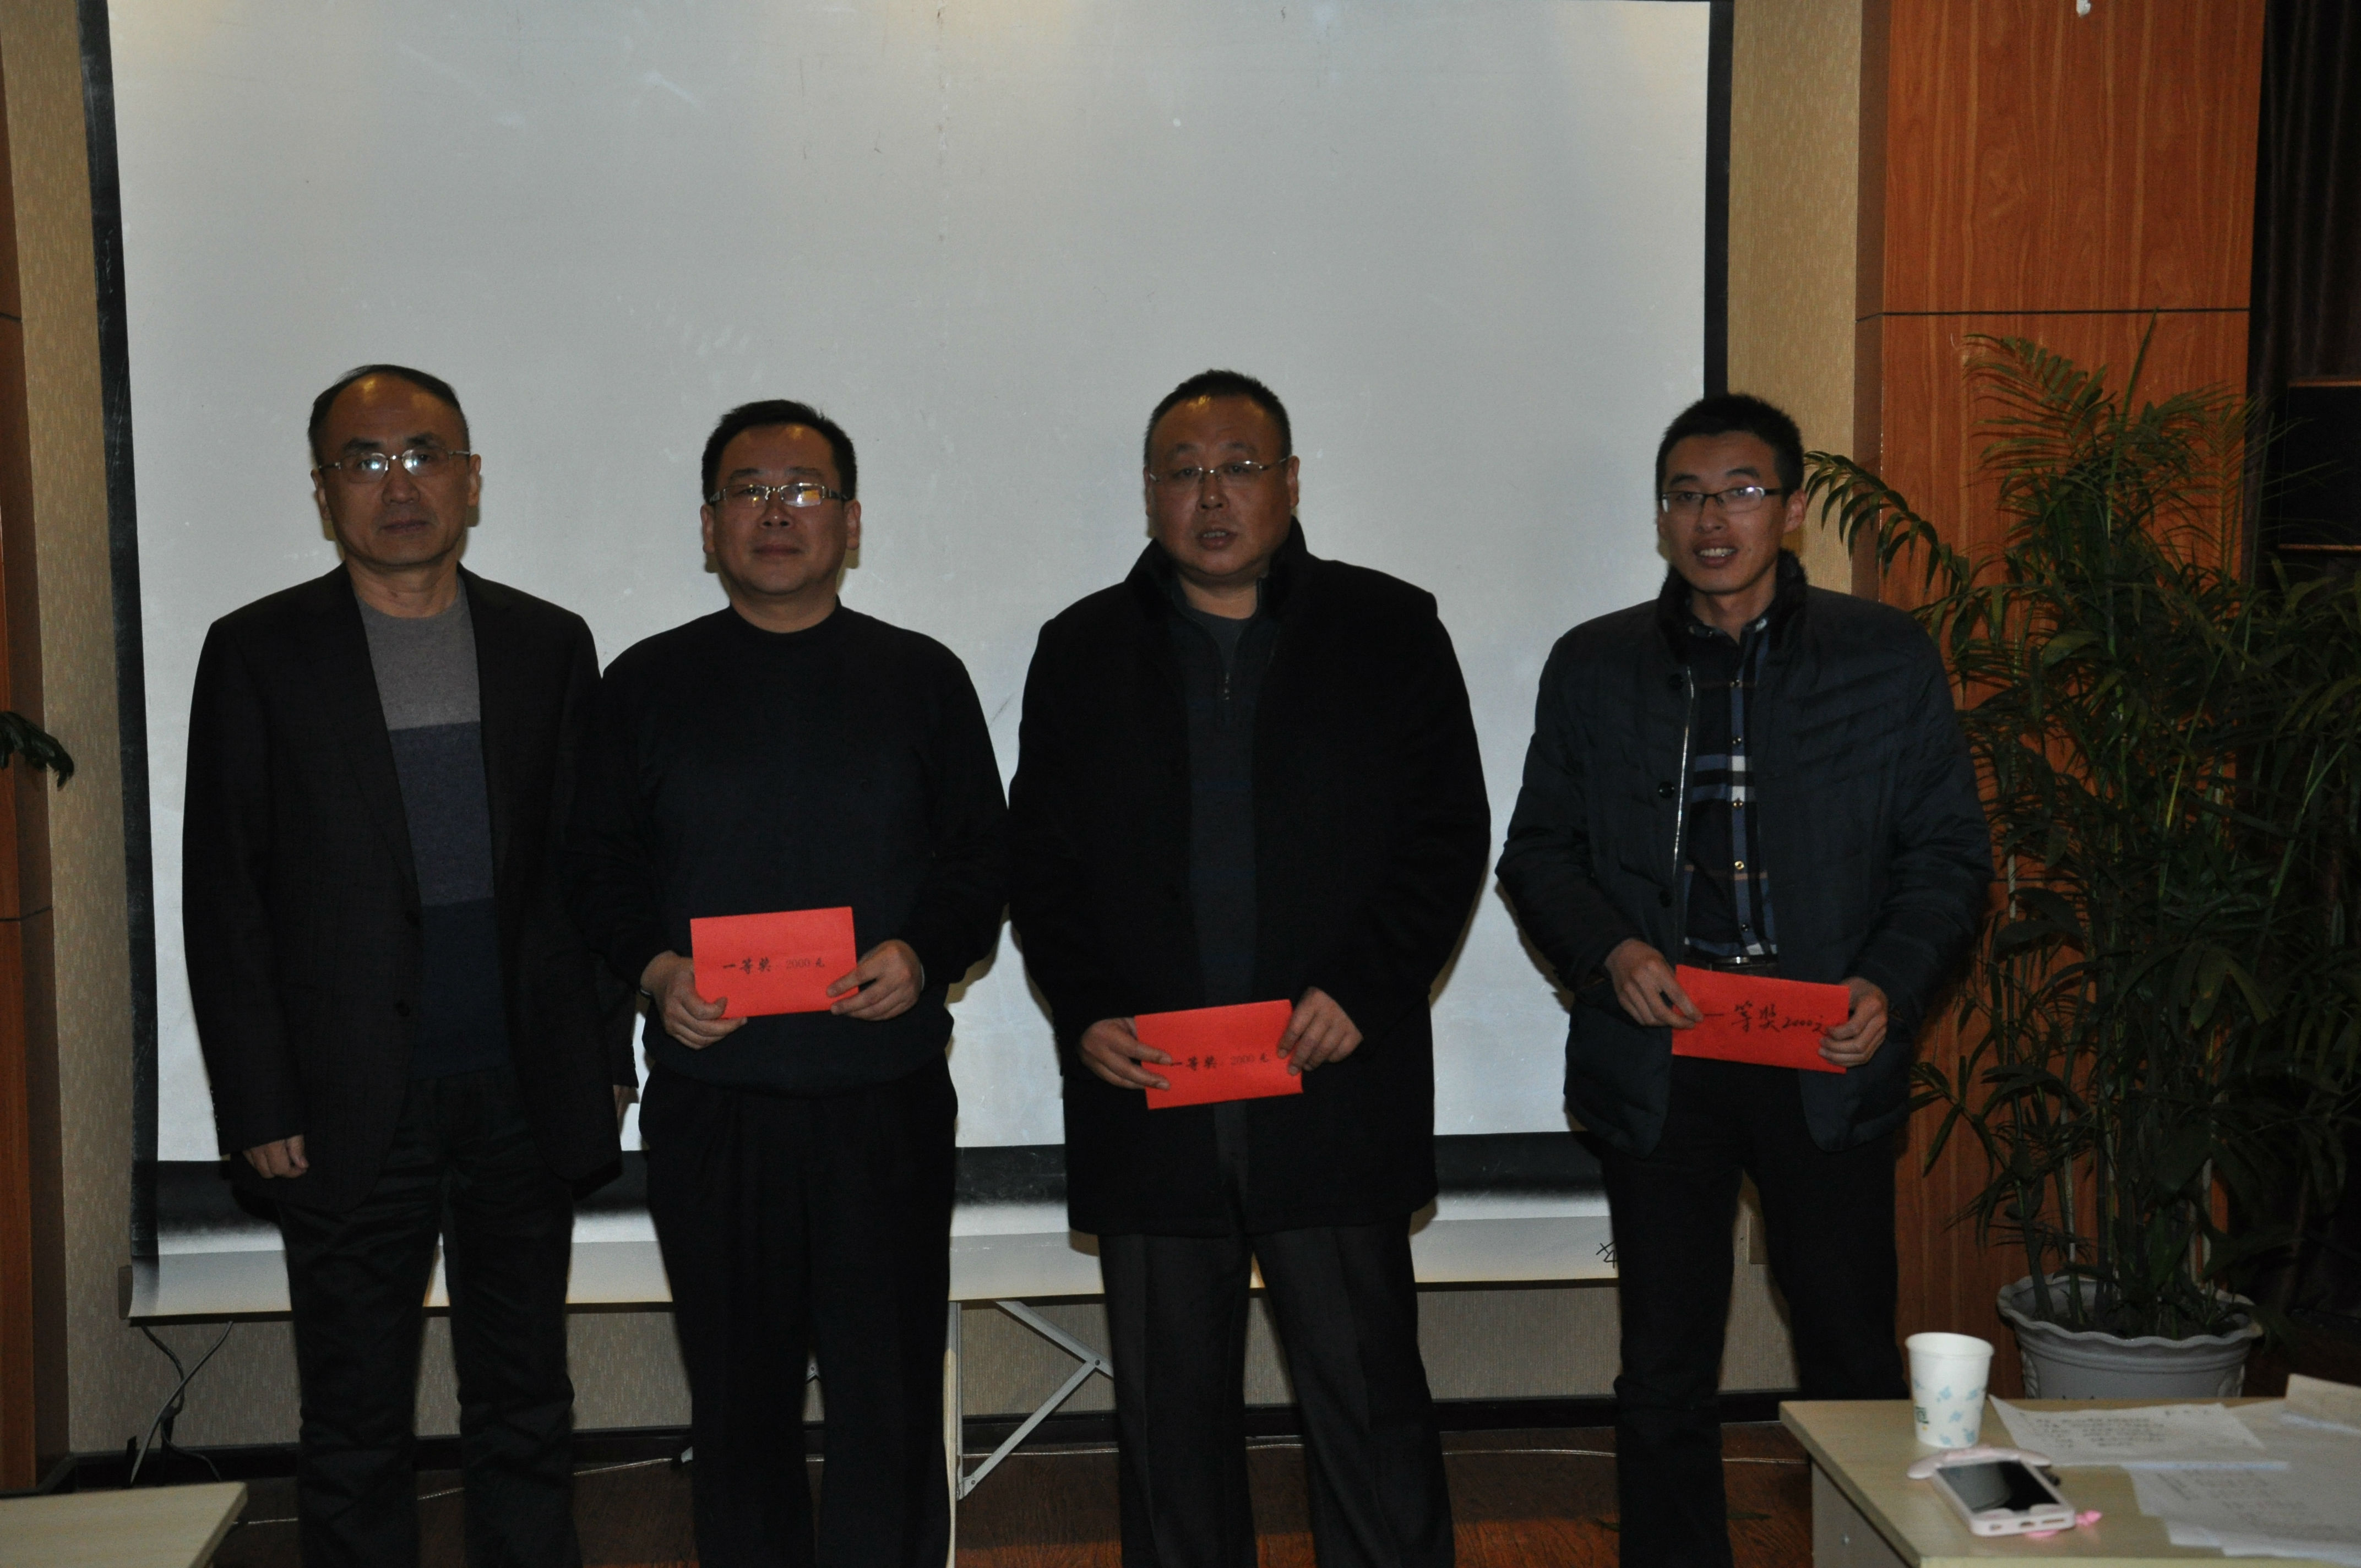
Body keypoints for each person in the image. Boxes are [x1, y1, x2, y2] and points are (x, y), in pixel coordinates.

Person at [1496, 393, 1992, 1568]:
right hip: (1662, 1052)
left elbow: (1947, 856)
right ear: (1660, 516)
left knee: (1847, 1351)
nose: (1710, 520)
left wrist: (1887, 983)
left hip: (1821, 1049)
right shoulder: (1595, 662)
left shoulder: (1882, 657)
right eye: (1685, 496)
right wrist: (1613, 955)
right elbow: (1538, 853)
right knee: (1663, 1365)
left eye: (1740, 492)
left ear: (1794, 509)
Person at [1008, 369, 1489, 1568]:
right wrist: (1085, 1008)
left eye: (1238, 467)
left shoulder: (1388, 629)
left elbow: (1446, 836)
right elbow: (1041, 861)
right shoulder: (1080, 650)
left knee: (1369, 1409)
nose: (1211, 495)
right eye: (1183, 472)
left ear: (1289, 483)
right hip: (1153, 1093)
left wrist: (1365, 990)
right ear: (1149, 493)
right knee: (1168, 1430)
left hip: (1331, 1082)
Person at [184, 364, 634, 1567]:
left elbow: (589, 873)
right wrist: (258, 1097)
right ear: (323, 490)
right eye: (365, 460)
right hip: (341, 1102)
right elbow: (224, 895)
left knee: (526, 1401)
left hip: (523, 1089)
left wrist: (606, 1055)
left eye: (425, 454)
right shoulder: (259, 651)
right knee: (352, 1420)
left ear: (471, 479)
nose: (399, 485)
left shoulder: (548, 644)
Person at [569, 399, 1006, 1568]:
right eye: (747, 490)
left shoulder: (921, 676)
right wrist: (656, 970)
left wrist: (922, 953)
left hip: (882, 1101)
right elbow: (595, 867)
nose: (776, 512)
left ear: (851, 523)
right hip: (716, 1103)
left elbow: (980, 859)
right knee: (737, 1408)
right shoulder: (644, 684)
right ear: (708, 524)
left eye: (804, 489)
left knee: (889, 1398)